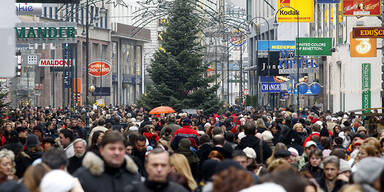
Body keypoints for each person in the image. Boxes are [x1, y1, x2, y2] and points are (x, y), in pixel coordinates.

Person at [74, 131, 141, 192]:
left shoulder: (134, 176)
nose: (117, 152)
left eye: (120, 149)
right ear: (102, 150)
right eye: (112, 148)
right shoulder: (83, 176)